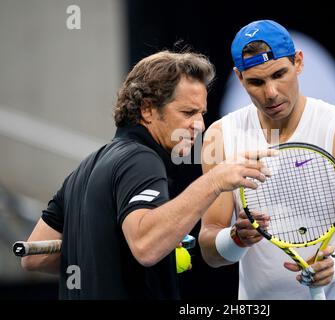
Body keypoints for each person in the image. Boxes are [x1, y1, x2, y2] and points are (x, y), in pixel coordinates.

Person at [20, 50, 275, 299]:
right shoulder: (141, 160)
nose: (200, 125)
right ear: (147, 109)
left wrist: (108, 255)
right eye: (188, 112)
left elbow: (35, 256)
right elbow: (146, 247)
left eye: (201, 114)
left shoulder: (82, 170)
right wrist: (216, 180)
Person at [199, 20, 335, 299]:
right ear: (240, 78)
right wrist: (235, 238)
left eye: (279, 74)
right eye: (256, 81)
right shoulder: (219, 137)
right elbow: (210, 249)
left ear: (299, 62)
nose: (271, 93)